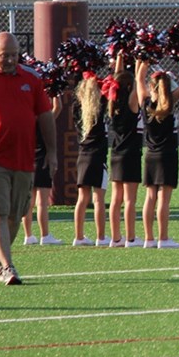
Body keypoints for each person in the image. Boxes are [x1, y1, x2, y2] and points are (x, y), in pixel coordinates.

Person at [0, 32, 56, 285]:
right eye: (5, 56)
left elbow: (45, 115)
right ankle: (7, 266)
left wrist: (53, 151)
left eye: (14, 55)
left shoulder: (31, 79)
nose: (11, 60)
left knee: (16, 214)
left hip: (24, 158)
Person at [136, 61, 179, 248]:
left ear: (152, 86)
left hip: (150, 155)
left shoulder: (145, 102)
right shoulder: (170, 102)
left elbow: (139, 78)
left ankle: (149, 239)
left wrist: (143, 59)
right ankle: (163, 238)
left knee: (150, 197)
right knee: (164, 198)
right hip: (167, 156)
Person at [106, 55, 144, 247]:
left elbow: (115, 79)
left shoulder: (113, 103)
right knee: (129, 199)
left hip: (116, 154)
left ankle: (115, 238)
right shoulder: (131, 102)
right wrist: (140, 63)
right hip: (131, 155)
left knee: (116, 199)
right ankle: (130, 238)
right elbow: (139, 82)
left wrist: (120, 57)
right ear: (129, 87)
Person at [72, 72, 109, 246]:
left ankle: (78, 237)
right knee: (98, 198)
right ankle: (101, 237)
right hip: (97, 156)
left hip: (82, 156)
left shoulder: (76, 109)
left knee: (82, 198)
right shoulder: (100, 107)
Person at [23, 94, 64, 246]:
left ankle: (28, 235)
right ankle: (44, 235)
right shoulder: (45, 122)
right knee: (42, 202)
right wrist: (55, 92)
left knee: (29, 201)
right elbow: (58, 107)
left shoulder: (25, 123)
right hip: (43, 161)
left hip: (28, 161)